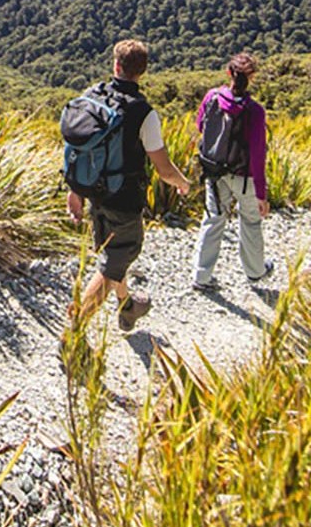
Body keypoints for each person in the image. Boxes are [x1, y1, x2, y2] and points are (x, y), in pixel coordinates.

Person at [66, 39, 192, 329]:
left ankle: (127, 307)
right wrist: (183, 183)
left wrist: (76, 191)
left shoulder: (93, 97)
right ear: (143, 71)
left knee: (115, 258)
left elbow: (79, 149)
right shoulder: (143, 113)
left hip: (95, 195)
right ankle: (74, 330)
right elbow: (164, 169)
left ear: (116, 65)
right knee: (112, 267)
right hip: (124, 201)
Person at [190, 52, 271, 291]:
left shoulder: (212, 97)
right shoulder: (255, 111)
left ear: (229, 73)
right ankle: (256, 272)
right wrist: (261, 193)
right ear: (252, 77)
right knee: (251, 222)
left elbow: (200, 126)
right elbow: (258, 154)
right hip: (244, 176)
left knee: (213, 220)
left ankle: (201, 276)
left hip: (215, 171)